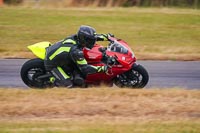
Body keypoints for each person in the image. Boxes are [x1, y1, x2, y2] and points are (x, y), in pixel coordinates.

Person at [44, 25, 112, 88]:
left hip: (64, 59)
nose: (92, 42)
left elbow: (94, 37)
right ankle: (51, 79)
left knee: (78, 73)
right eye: (90, 41)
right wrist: (103, 68)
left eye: (92, 40)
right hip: (52, 63)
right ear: (83, 39)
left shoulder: (78, 38)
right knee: (68, 85)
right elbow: (85, 69)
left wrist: (107, 37)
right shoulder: (76, 51)